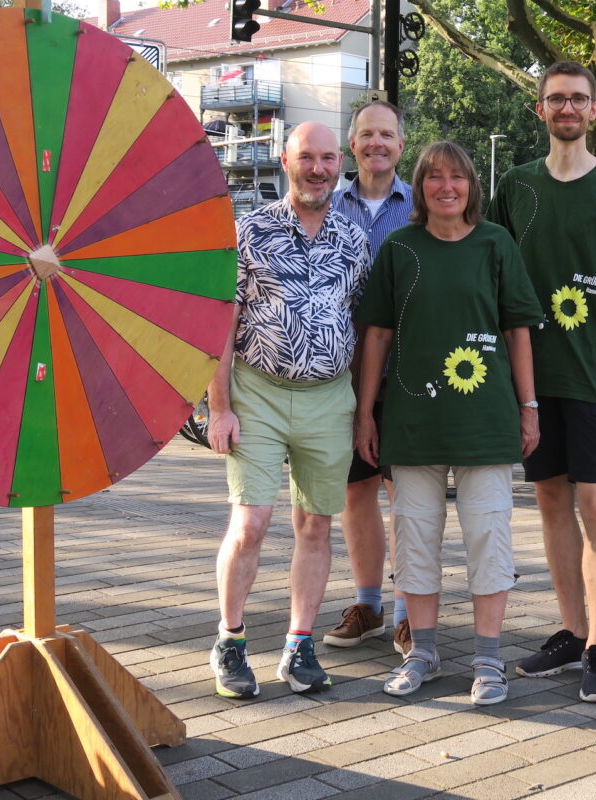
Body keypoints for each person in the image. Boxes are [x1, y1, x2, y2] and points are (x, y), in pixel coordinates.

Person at [489, 61, 596, 704]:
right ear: (540, 109)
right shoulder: (515, 185)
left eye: (578, 99)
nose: (567, 108)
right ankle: (571, 629)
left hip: (595, 378)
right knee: (551, 504)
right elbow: (497, 280)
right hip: (534, 378)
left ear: (594, 110)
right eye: (556, 98)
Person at [354, 141, 544, 705]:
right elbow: (377, 335)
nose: (446, 186)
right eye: (434, 176)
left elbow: (517, 331)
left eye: (457, 177)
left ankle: (488, 660)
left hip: (485, 421)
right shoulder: (400, 247)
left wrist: (530, 407)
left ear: (471, 186)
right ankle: (423, 653)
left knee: (489, 538)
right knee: (414, 538)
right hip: (412, 423)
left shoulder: (496, 243)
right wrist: (365, 414)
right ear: (419, 187)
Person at [207, 122, 370, 699]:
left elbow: (360, 323)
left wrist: (361, 408)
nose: (317, 169)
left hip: (329, 399)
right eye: (307, 158)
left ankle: (299, 646)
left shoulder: (354, 240)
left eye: (327, 158)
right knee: (251, 523)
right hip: (258, 393)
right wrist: (219, 407)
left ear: (339, 164)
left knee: (316, 525)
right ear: (285, 161)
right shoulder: (249, 231)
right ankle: (230, 640)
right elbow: (220, 323)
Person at [324, 100, 414, 656]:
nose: (376, 143)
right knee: (355, 491)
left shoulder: (423, 206)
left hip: (407, 370)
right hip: (344, 371)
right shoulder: (327, 207)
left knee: (406, 493)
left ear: (401, 144)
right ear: (351, 144)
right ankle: (369, 606)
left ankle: (408, 612)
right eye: (366, 134)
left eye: (386, 134)